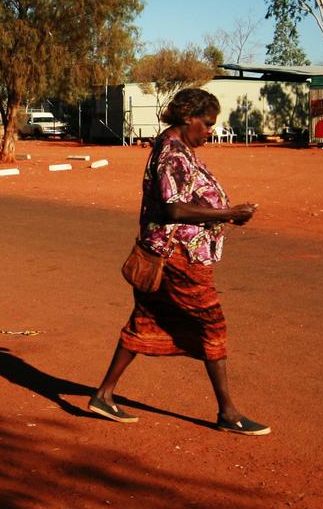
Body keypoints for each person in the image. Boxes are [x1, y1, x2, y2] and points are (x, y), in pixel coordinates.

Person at [88, 87, 269, 436]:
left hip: (163, 253)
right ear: (189, 117)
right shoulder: (173, 152)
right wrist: (228, 213)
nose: (210, 130)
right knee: (211, 325)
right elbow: (172, 208)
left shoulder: (174, 146)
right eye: (207, 123)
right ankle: (228, 414)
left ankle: (103, 395)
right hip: (178, 257)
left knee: (146, 319)